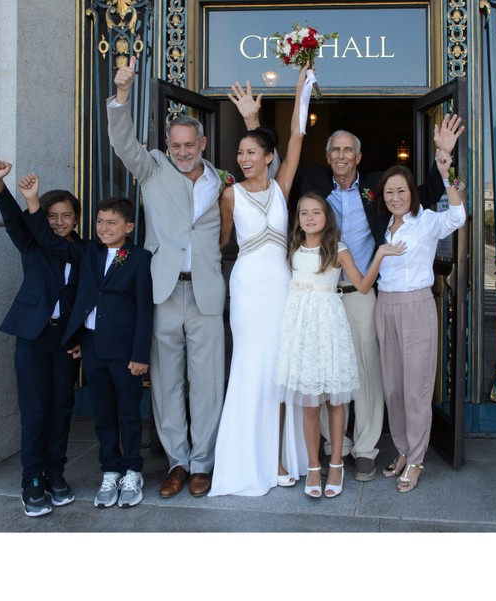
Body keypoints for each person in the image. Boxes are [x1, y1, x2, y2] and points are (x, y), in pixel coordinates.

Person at [291, 116, 464, 482]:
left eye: (348, 150)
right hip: (322, 297)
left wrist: (444, 155)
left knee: (369, 372)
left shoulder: (378, 191)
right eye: (335, 150)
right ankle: (332, 444)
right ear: (327, 156)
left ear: (358, 156)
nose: (341, 156)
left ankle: (367, 448)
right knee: (323, 371)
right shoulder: (314, 185)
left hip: (363, 294)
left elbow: (419, 194)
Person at [108, 57, 234, 498]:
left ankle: (204, 462)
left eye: (189, 144)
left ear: (202, 142)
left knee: (207, 383)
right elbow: (123, 142)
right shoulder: (153, 168)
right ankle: (177, 462)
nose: (182, 151)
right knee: (165, 382)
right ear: (167, 143)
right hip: (163, 292)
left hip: (205, 294)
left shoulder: (221, 180)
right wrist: (120, 96)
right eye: (175, 144)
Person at [20, 174, 153, 508]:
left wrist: (140, 355)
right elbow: (50, 243)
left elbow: (144, 310)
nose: (104, 228)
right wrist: (33, 204)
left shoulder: (139, 258)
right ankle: (109, 469)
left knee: (128, 412)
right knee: (103, 413)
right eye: (99, 221)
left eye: (112, 223)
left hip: (125, 353)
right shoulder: (87, 253)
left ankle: (132, 470)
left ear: (129, 227)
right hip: (92, 348)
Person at [208, 67, 310, 497]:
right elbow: (222, 240)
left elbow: (297, 138)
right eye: (240, 152)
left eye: (252, 151)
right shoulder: (229, 193)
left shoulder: (283, 187)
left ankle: (283, 457)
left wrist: (301, 91)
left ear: (268, 156)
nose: (244, 158)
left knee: (280, 370)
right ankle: (246, 456)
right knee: (251, 367)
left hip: (283, 288)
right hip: (248, 288)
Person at [275, 194, 405, 498]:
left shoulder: (337, 249)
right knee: (310, 402)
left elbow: (361, 286)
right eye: (303, 213)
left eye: (316, 212)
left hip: (329, 326)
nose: (309, 218)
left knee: (335, 400)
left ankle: (336, 465)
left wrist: (380, 255)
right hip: (302, 330)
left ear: (327, 217)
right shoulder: (291, 247)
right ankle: (312, 466)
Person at [0, 160, 82, 517]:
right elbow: (15, 221)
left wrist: (81, 340)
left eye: (66, 216)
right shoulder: (33, 245)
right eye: (51, 216)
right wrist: (0, 187)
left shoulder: (82, 250)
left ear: (76, 219)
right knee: (35, 411)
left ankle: (56, 474)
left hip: (64, 344)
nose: (58, 222)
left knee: (61, 409)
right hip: (32, 339)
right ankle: (32, 481)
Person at [374, 155, 466, 493]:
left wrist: (447, 174)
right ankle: (402, 449)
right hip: (385, 305)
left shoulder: (425, 220)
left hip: (416, 306)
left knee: (416, 388)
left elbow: (458, 216)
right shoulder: (383, 225)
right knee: (394, 387)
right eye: (388, 192)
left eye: (400, 191)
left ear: (412, 192)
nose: (395, 197)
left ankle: (416, 459)